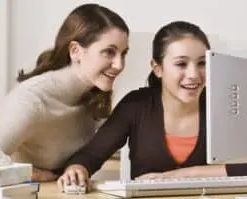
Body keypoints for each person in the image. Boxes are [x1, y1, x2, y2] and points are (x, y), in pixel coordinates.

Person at [57, 20, 247, 191]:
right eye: (181, 64)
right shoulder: (136, 105)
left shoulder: (228, 104)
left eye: (202, 63)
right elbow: (92, 154)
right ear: (157, 68)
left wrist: (176, 177)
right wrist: (77, 169)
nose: (194, 75)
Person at [0, 3, 129, 182]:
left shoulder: (95, 94)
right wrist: (39, 175)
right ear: (76, 51)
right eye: (109, 52)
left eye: (123, 53)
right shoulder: (31, 100)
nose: (119, 65)